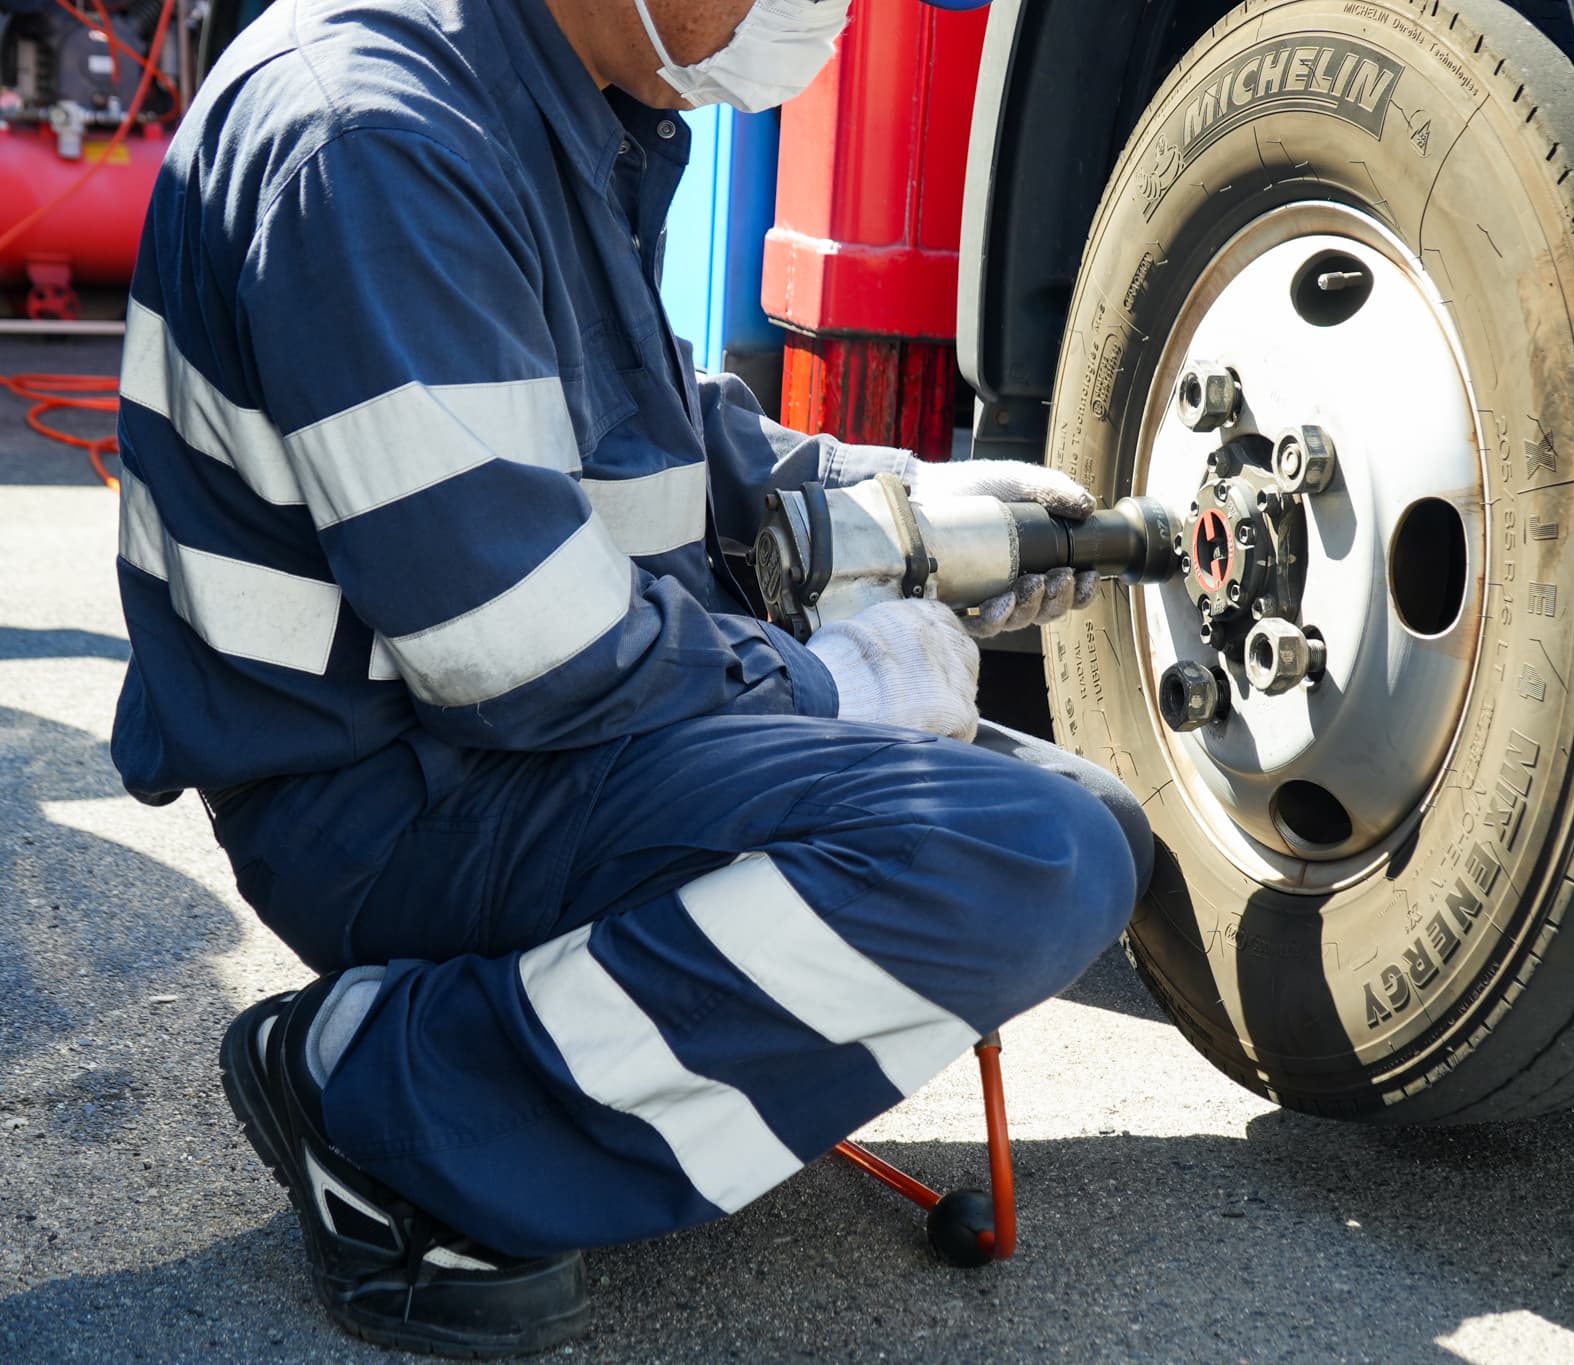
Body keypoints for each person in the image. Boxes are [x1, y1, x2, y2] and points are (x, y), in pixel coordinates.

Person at [110, 0, 1151, 1354]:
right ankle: (377, 1089)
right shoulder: (371, 138)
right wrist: (834, 687)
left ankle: (532, 1035)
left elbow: (649, 438)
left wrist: (897, 504)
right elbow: (513, 642)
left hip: (514, 741)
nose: (819, 15)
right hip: (389, 795)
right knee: (1024, 853)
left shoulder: (548, 103)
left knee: (1087, 832)